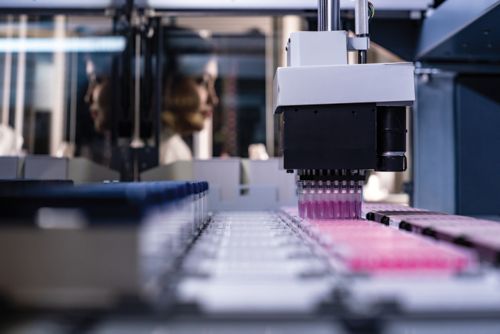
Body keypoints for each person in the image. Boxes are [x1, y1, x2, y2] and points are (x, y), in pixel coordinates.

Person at [160, 27, 219, 164]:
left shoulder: (174, 149)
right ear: (171, 83)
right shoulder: (171, 153)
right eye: (202, 81)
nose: (213, 99)